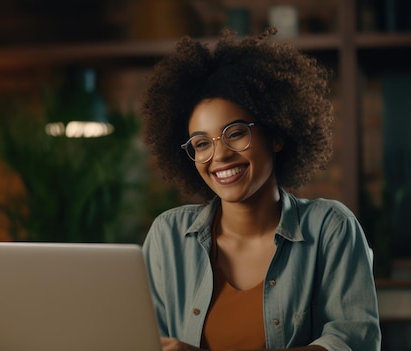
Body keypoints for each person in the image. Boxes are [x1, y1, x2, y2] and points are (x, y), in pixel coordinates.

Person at [140, 28, 381, 351]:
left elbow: (352, 341)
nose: (220, 155)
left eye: (235, 133)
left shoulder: (330, 228)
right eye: (201, 144)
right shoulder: (168, 236)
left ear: (277, 134)